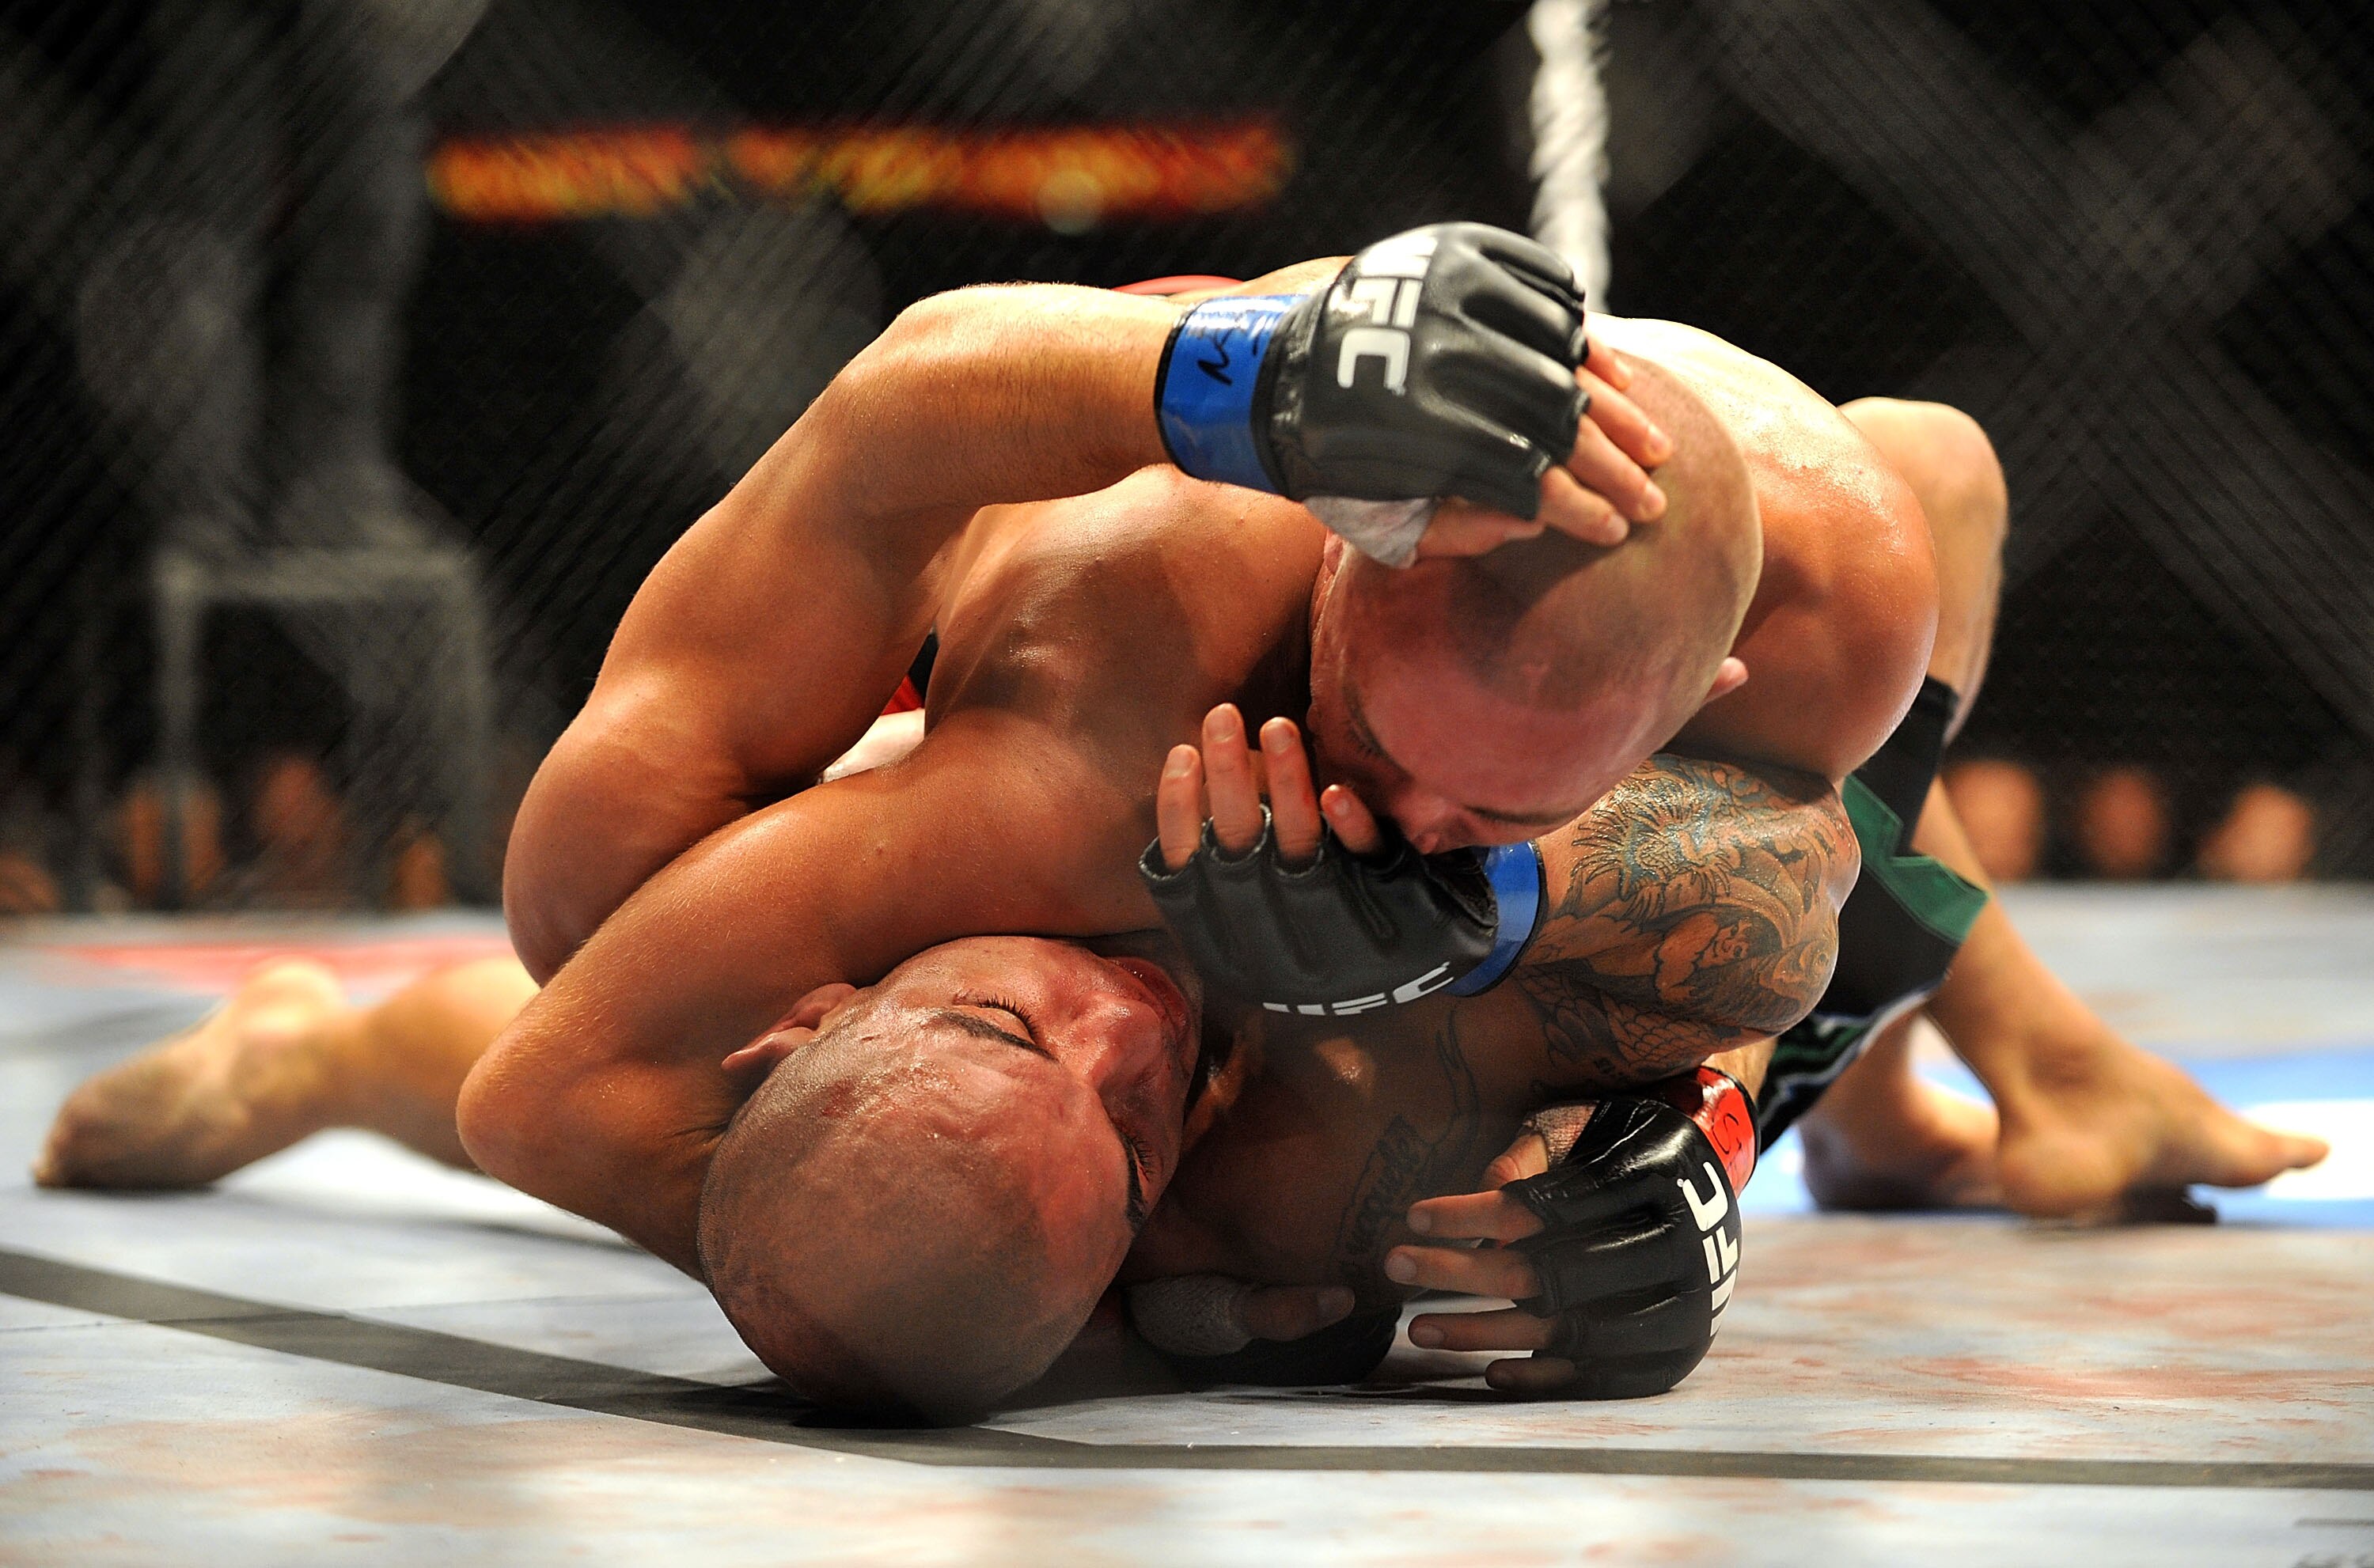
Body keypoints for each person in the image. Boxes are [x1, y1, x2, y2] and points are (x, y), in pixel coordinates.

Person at [36, 232, 2321, 1413]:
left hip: (1404, 735)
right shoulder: (1064, 775)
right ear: (1340, 558)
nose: (1140, 1048)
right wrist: (1241, 366)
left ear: (1696, 707)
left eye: (1495, 798)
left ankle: (1952, 1077)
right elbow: (883, 418)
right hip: (1077, 691)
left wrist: (1560, 975)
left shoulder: (1810, 601)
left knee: (1943, 466)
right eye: (1392, 746)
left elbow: (1783, 885)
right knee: (611, 918)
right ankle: (344, 1047)